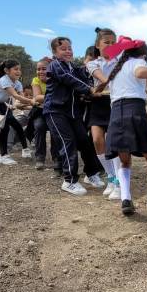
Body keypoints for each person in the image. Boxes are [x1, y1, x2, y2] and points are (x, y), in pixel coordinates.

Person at [98, 36, 147, 224]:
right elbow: (141, 73)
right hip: (135, 112)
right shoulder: (137, 62)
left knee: (124, 161)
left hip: (116, 116)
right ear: (143, 54)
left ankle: (126, 199)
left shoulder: (115, 68)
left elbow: (111, 60)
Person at [43, 36, 104, 196]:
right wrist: (90, 90)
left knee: (84, 141)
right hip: (55, 112)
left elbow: (85, 78)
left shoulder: (73, 67)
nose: (68, 51)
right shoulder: (55, 65)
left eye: (70, 48)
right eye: (63, 49)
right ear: (54, 52)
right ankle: (69, 181)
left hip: (72, 112)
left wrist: (95, 78)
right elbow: (69, 80)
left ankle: (91, 174)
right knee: (67, 142)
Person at [85, 28, 122, 200]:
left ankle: (119, 183)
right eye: (107, 42)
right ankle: (111, 177)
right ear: (97, 45)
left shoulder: (121, 60)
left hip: (115, 102)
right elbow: (103, 78)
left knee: (113, 142)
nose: (111, 45)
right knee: (97, 140)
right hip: (98, 104)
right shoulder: (93, 64)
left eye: (114, 42)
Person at [0, 59, 35, 165]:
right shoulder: (4, 80)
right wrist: (32, 101)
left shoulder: (17, 83)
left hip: (2, 104)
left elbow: (21, 96)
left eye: (19, 69)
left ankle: (22, 150)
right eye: (15, 69)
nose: (18, 71)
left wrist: (30, 102)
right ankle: (3, 155)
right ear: (7, 71)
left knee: (16, 125)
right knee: (4, 128)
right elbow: (16, 96)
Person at [31, 57, 61, 173]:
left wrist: (45, 100)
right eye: (38, 69)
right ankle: (40, 157)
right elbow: (37, 97)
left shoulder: (56, 79)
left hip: (55, 112)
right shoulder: (36, 80)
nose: (40, 72)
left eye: (44, 69)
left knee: (55, 130)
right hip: (40, 112)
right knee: (39, 127)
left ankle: (56, 157)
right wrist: (56, 97)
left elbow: (40, 98)